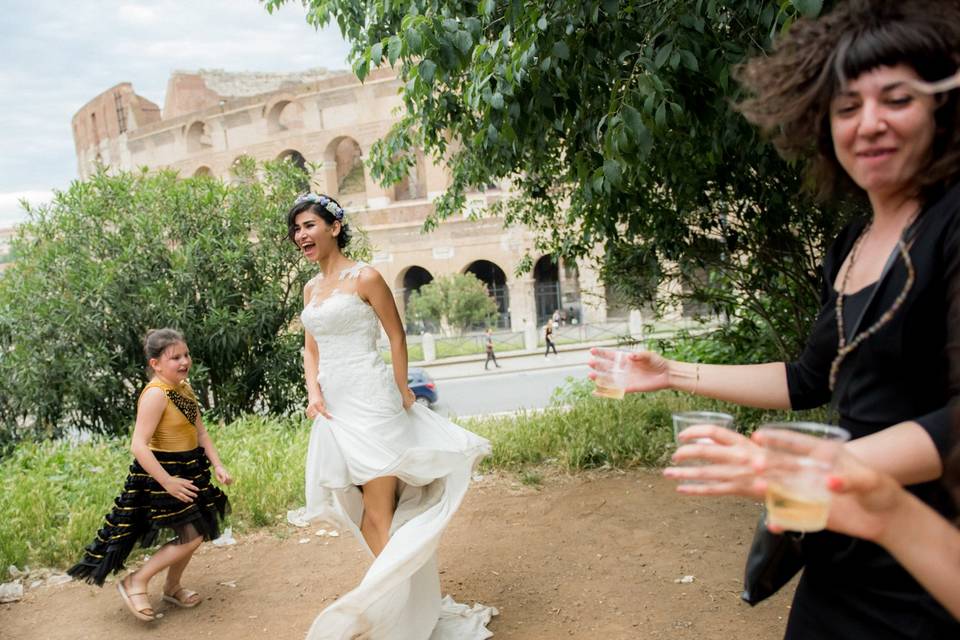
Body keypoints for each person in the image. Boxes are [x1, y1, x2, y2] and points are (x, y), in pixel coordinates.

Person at [591, 1, 960, 638]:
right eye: (847, 108)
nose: (869, 123)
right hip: (837, 548)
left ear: (940, 109)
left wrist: (807, 467)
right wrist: (670, 372)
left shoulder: (952, 223)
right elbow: (808, 379)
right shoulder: (852, 244)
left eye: (896, 100)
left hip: (929, 548)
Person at [284, 193, 496, 639]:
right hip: (336, 408)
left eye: (309, 226)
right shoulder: (310, 288)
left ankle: (399, 616)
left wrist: (402, 390)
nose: (301, 235)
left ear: (334, 227)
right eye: (297, 229)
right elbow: (310, 347)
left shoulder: (366, 277)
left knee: (376, 514)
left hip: (372, 401)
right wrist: (313, 390)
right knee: (367, 512)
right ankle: (404, 608)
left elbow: (396, 337)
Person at [67, 328, 231, 622]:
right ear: (155, 364)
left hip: (190, 468)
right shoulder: (155, 395)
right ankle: (136, 581)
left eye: (186, 355)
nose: (184, 362)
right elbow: (138, 445)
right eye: (175, 358)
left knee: (197, 530)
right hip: (162, 473)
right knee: (192, 535)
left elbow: (201, 432)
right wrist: (166, 481)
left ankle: (172, 586)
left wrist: (217, 465)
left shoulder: (184, 388)